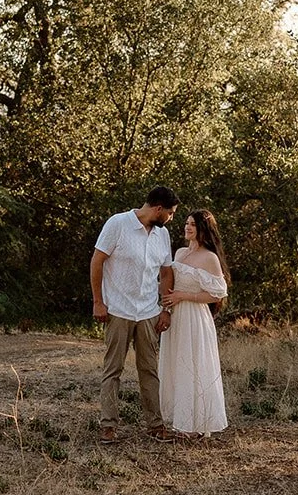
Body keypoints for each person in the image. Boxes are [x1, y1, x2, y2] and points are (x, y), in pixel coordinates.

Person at [91, 185, 179, 444]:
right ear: (158, 209)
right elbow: (97, 261)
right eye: (171, 214)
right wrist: (98, 302)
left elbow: (165, 273)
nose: (171, 219)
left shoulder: (161, 235)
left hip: (149, 312)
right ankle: (108, 426)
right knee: (113, 369)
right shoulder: (117, 224)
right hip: (118, 310)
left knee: (149, 370)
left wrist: (165, 309)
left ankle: (155, 425)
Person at [158, 209, 230, 438]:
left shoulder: (210, 257)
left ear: (203, 229)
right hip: (175, 315)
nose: (187, 227)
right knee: (176, 365)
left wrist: (184, 296)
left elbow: (218, 294)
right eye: (187, 223)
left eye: (193, 225)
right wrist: (167, 307)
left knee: (192, 365)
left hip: (194, 316)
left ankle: (193, 425)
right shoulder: (179, 253)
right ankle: (179, 420)